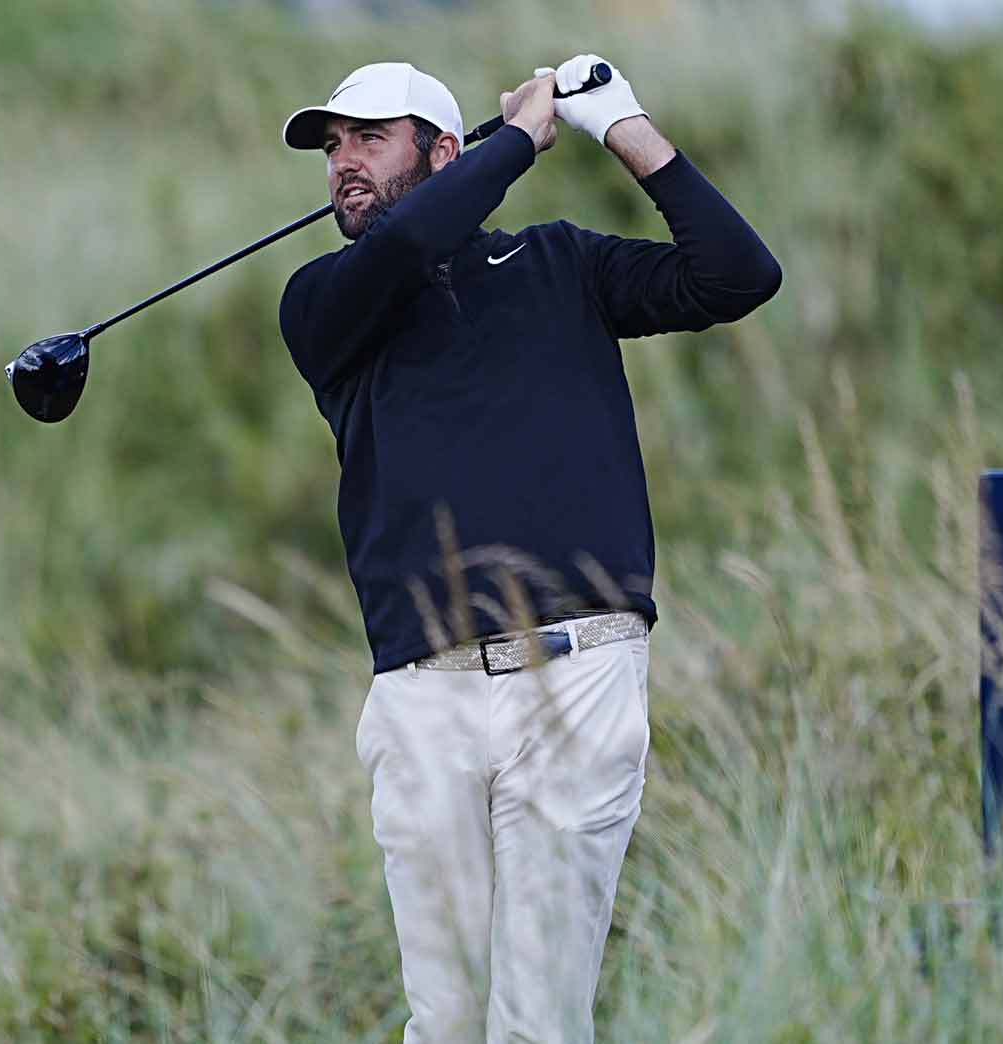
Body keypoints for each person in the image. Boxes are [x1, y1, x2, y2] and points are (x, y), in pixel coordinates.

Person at [278, 56, 781, 1041]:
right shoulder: (324, 302)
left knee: (537, 1025)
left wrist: (622, 126)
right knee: (446, 1021)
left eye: (368, 138)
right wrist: (520, 142)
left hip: (576, 677)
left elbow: (736, 273)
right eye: (332, 146)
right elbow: (406, 244)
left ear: (441, 149)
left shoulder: (558, 262)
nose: (341, 161)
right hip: (424, 697)